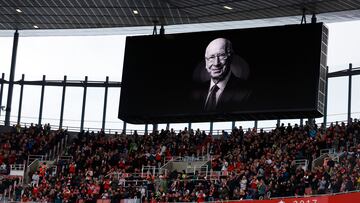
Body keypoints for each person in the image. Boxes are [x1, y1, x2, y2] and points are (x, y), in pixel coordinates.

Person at [192, 38, 251, 112]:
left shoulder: (247, 91)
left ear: (230, 57)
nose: (216, 63)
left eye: (222, 55)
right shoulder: (195, 92)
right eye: (211, 57)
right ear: (206, 62)